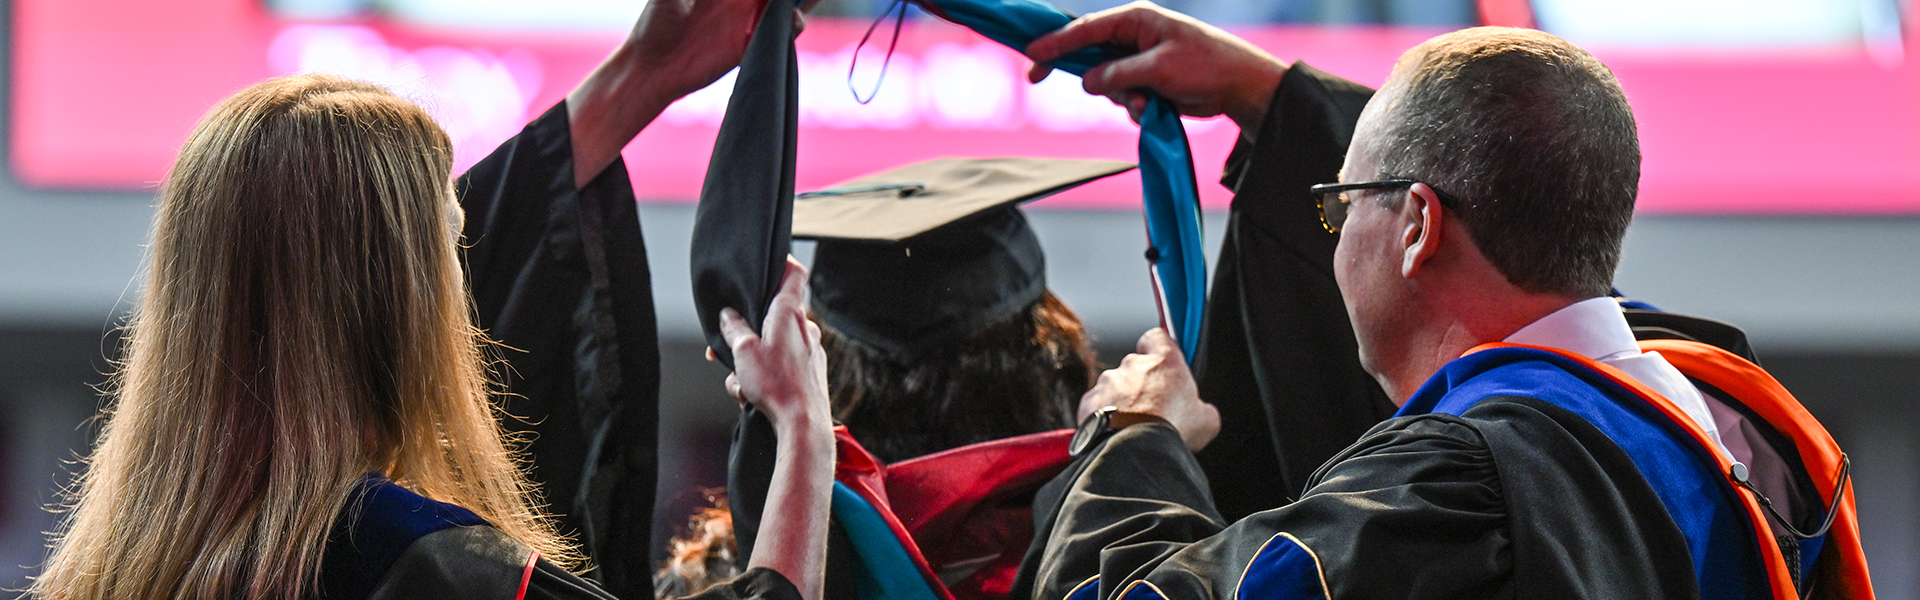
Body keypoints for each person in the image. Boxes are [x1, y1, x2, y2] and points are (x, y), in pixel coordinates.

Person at [1007, 5, 1870, 599]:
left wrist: (1129, 439)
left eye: (1338, 206)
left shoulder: (1454, 497)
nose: (1332, 238)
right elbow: (1506, 178)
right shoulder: (1721, 409)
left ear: (1418, 226)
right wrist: (1270, 96)